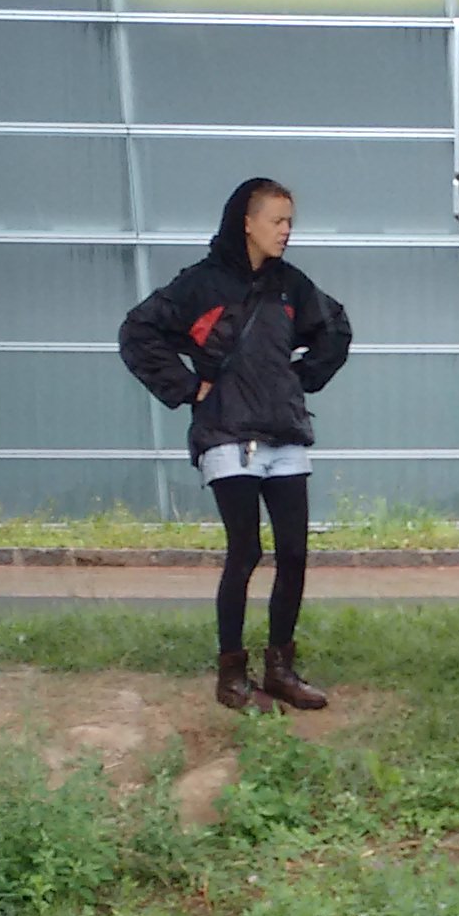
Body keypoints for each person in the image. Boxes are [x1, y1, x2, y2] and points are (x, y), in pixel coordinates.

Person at [119, 177, 354, 713]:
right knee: (245, 550)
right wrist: (185, 388)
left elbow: (336, 329)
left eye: (291, 222)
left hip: (285, 433)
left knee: (294, 553)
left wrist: (301, 377)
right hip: (226, 434)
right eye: (277, 220)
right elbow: (137, 333)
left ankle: (281, 670)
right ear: (246, 222)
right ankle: (231, 675)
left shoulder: (292, 286)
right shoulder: (200, 285)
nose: (287, 231)